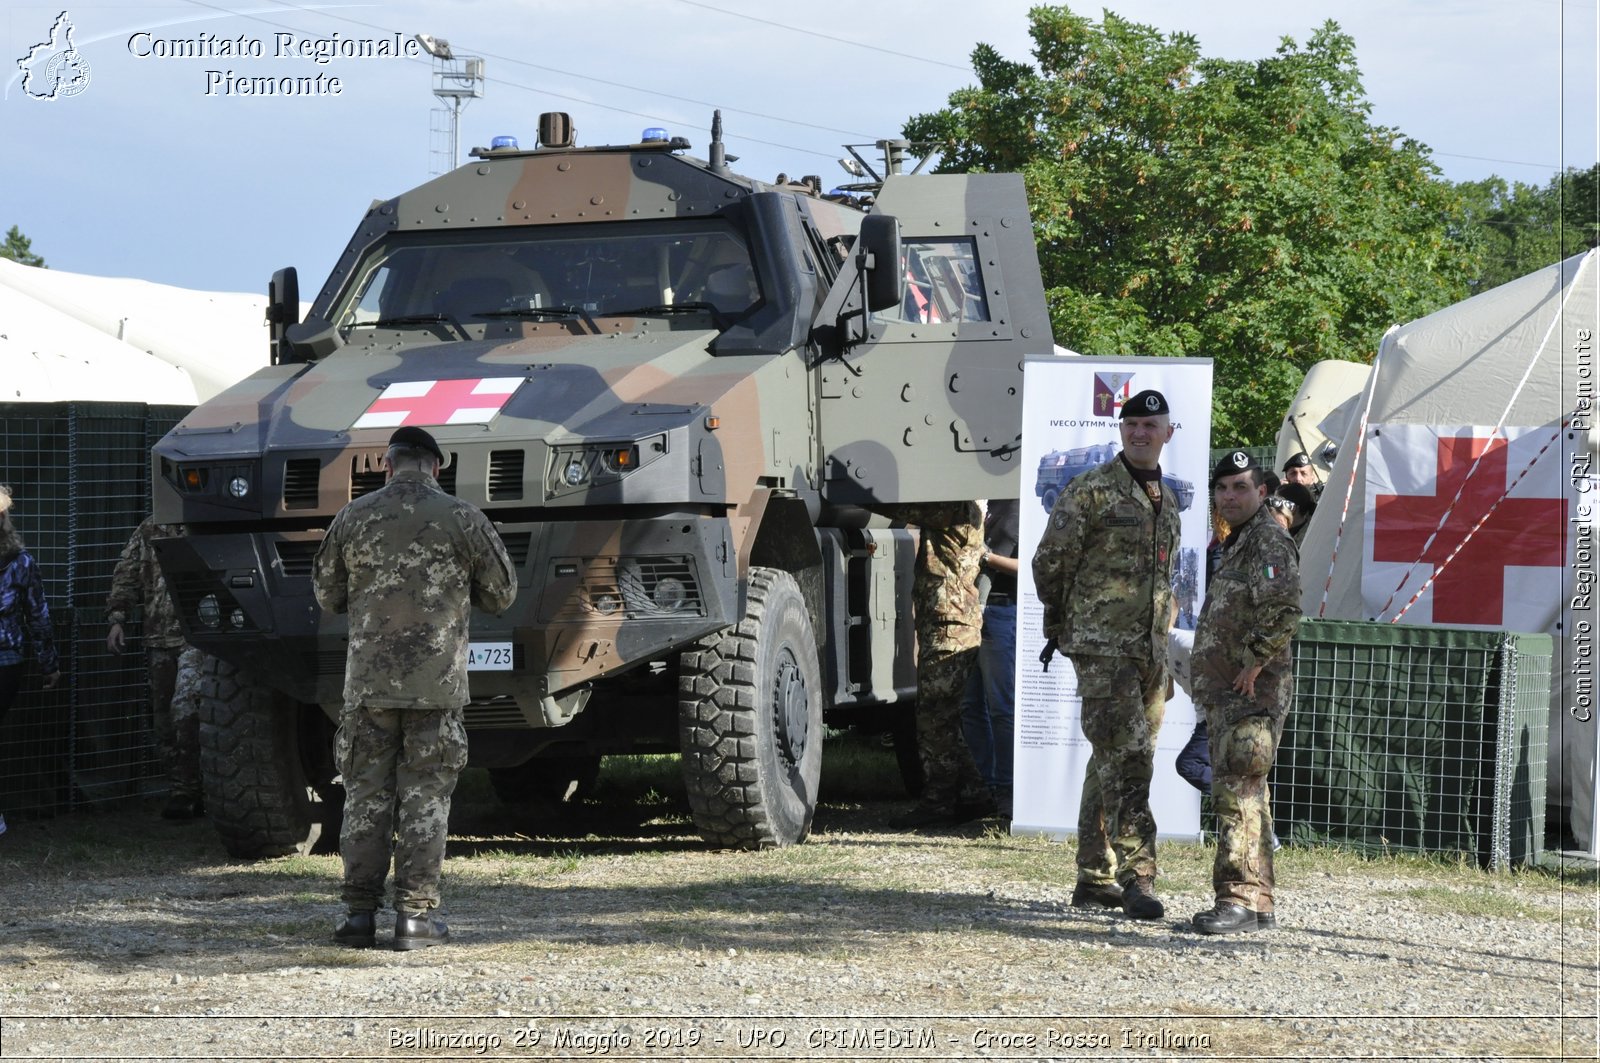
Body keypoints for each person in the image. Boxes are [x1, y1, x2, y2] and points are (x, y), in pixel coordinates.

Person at [312, 426, 517, 950]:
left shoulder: (353, 517)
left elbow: (326, 594)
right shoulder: (463, 517)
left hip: (368, 689)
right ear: (437, 466)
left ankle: (358, 917)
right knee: (425, 797)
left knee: (365, 797)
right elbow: (502, 594)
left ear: (386, 464)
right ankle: (414, 919)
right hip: (437, 689)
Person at [1033, 389, 1181, 920]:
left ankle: (1094, 877)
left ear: (1168, 431)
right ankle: (1137, 877)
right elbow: (1050, 564)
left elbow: (1165, 581)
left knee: (1109, 761)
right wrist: (1071, 626)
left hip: (1149, 654)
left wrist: (1161, 652)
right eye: (1132, 424)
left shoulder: (1170, 499)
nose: (1140, 433)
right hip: (1102, 651)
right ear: (1122, 431)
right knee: (1132, 759)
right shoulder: (1090, 491)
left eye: (1151, 425)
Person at [1190, 450, 1302, 935]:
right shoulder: (1238, 541)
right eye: (1223, 488)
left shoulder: (1268, 541)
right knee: (1249, 794)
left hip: (1250, 694)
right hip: (1227, 692)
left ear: (1262, 492)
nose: (1230, 496)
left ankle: (1235, 898)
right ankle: (1258, 903)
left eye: (1240, 487)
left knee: (1236, 793)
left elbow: (1282, 610)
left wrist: (1255, 663)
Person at [878, 501, 995, 830]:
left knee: (933, 717)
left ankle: (939, 802)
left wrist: (849, 489)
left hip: (949, 626)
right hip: (951, 623)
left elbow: (903, 508)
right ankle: (973, 793)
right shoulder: (964, 507)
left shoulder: (955, 507)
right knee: (944, 717)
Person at [106, 517, 203, 820]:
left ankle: (199, 787)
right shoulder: (150, 528)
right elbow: (127, 573)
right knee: (162, 721)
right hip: (157, 638)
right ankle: (182, 792)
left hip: (196, 637)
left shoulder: (206, 523)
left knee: (185, 710)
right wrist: (117, 619)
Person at [0, 486, 62, 837]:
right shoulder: (22, 562)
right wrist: (49, 664)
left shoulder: (21, 563)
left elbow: (38, 617)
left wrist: (49, 663)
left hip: (6, 661)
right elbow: (38, 616)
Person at [961, 499, 1019, 817]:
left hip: (1000, 609)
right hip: (972, 610)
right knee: (971, 706)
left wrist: (987, 557)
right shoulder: (988, 505)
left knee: (1001, 707)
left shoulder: (1023, 505)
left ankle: (1006, 790)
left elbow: (1033, 566)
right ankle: (982, 786)